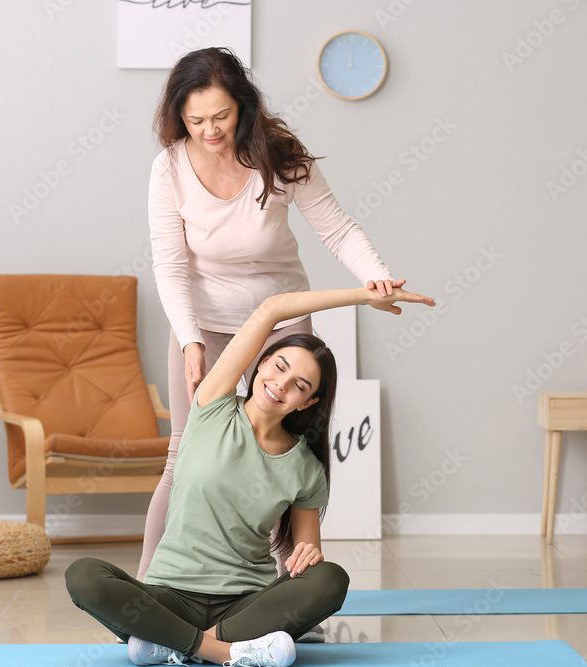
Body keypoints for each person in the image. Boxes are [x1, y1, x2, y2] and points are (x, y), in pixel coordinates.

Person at [66, 285, 435, 667]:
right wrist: (363, 296)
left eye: (300, 386)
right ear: (260, 363)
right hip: (170, 597)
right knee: (84, 576)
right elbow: (273, 308)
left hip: (245, 606)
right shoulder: (213, 405)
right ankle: (224, 653)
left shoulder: (306, 466)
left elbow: (305, 564)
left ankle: (173, 645)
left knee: (331, 579)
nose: (281, 385)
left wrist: (309, 555)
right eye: (279, 366)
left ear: (308, 403)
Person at [142, 46, 401, 581]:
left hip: (280, 327)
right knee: (182, 457)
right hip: (203, 326)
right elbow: (169, 265)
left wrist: (375, 278)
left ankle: (289, 589)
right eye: (195, 121)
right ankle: (147, 589)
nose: (209, 130)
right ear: (178, 117)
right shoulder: (169, 169)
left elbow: (337, 228)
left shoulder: (279, 156)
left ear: (243, 105)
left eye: (221, 116)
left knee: (287, 452)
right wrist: (190, 340)